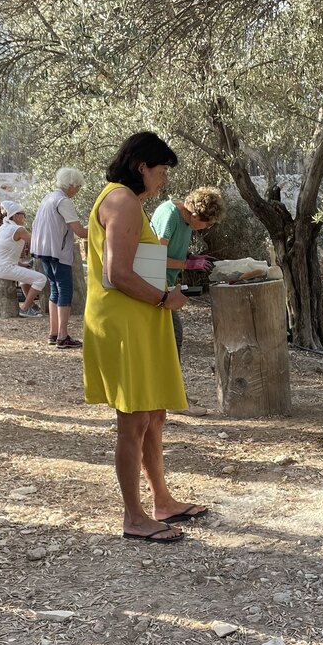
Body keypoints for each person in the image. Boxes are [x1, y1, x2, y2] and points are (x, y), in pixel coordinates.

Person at [82, 132, 208, 544]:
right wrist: (164, 298)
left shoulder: (126, 201)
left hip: (141, 320)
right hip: (126, 324)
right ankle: (134, 517)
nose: (165, 179)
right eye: (162, 169)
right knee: (133, 421)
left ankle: (162, 502)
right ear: (142, 167)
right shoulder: (121, 201)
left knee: (154, 415)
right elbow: (117, 273)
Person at [150, 186, 226, 416]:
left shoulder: (184, 220)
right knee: (173, 337)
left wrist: (191, 258)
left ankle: (170, 394)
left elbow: (173, 250)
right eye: (207, 222)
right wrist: (186, 264)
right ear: (195, 214)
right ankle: (172, 399)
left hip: (164, 283)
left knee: (172, 338)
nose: (208, 227)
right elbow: (156, 257)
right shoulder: (171, 215)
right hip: (153, 286)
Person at [31, 167, 89, 349]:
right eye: (78, 187)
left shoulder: (48, 198)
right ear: (71, 185)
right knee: (64, 290)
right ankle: (63, 336)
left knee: (54, 289)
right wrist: (101, 230)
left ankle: (53, 333)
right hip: (58, 251)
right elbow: (79, 231)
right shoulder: (63, 201)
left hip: (42, 249)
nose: (77, 190)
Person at [0, 200, 46, 317]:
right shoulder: (19, 230)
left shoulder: (4, 227)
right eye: (23, 214)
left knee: (25, 276)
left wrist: (19, 263)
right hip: (4, 268)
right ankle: (25, 308)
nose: (24, 217)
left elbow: (4, 250)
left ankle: (31, 305)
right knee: (41, 279)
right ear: (15, 216)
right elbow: (37, 244)